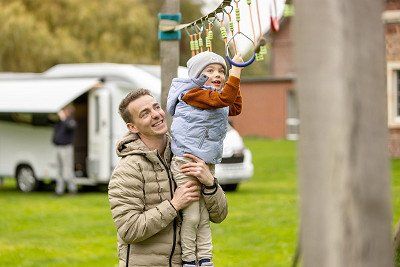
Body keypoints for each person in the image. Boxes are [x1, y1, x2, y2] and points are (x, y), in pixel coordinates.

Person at [108, 89, 228, 267]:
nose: (156, 115)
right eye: (145, 113)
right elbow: (129, 229)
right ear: (132, 127)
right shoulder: (127, 170)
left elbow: (219, 215)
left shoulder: (186, 154)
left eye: (156, 107)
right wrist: (174, 205)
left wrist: (210, 183)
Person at [166, 51, 243, 267]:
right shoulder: (193, 94)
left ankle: (205, 259)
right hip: (186, 163)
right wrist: (235, 69)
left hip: (205, 163)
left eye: (221, 71)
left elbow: (235, 106)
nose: (217, 75)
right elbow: (226, 99)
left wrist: (235, 79)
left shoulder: (214, 97)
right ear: (196, 75)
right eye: (210, 71)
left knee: (203, 216)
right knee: (191, 216)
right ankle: (189, 259)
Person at [52, 105, 78, 195]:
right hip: (58, 147)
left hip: (66, 148)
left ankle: (72, 189)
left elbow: (70, 127)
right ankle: (59, 190)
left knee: (67, 169)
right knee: (59, 169)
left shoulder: (70, 121)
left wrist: (63, 119)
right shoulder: (60, 122)